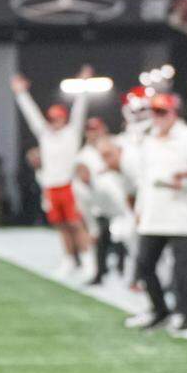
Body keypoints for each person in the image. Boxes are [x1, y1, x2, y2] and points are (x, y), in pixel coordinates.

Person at [12, 65, 94, 276]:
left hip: (69, 185)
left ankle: (87, 260)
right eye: (51, 118)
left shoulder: (71, 133)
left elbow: (80, 109)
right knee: (61, 226)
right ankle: (68, 260)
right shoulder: (45, 134)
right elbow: (32, 116)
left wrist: (84, 85)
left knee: (76, 224)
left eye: (57, 118)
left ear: (64, 118)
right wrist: (21, 93)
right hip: (51, 186)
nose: (53, 122)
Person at [130, 92, 187, 331]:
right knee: (144, 265)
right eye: (155, 112)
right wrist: (140, 208)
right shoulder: (148, 140)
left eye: (162, 112)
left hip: (182, 213)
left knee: (181, 268)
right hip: (153, 213)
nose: (157, 117)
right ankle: (160, 310)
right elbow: (143, 178)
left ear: (174, 113)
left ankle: (186, 314)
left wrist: (183, 183)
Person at [73, 118, 131, 284]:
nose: (93, 133)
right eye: (90, 130)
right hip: (100, 204)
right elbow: (80, 186)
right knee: (101, 240)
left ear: (103, 129)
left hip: (122, 201)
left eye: (96, 129)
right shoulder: (83, 155)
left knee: (125, 239)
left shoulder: (117, 144)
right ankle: (99, 273)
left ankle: (126, 273)